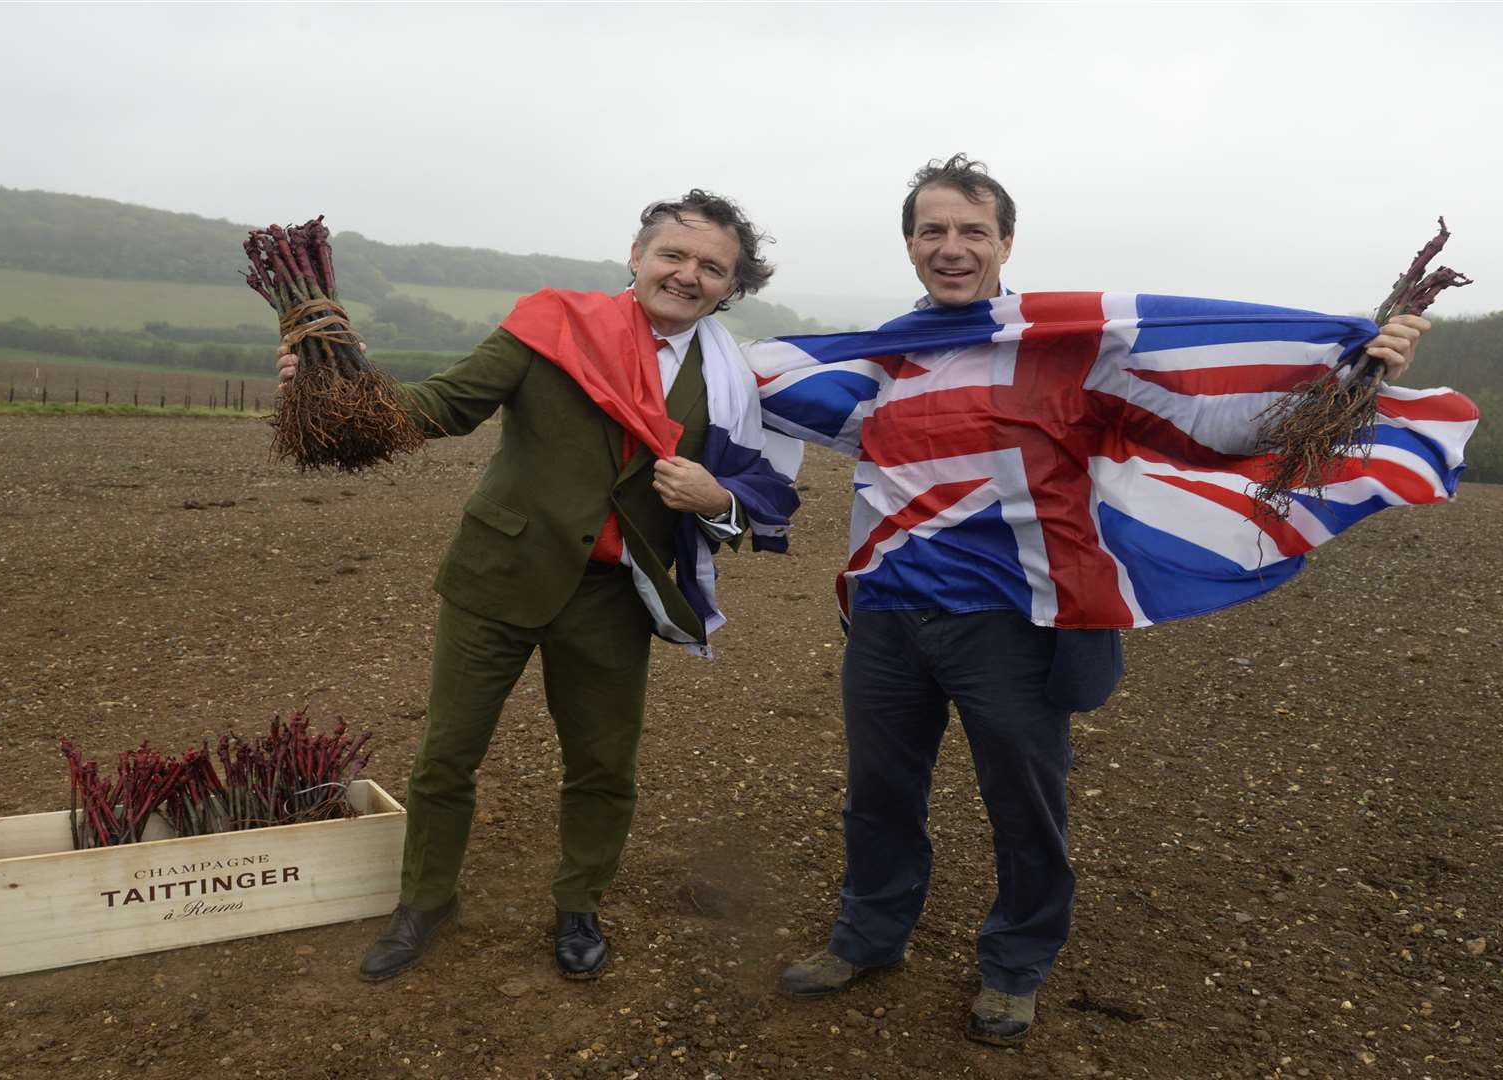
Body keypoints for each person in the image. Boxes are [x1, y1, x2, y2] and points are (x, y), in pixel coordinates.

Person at [774, 155, 1430, 1045]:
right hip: (888, 616)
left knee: (1025, 807)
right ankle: (868, 936)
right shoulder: (886, 353)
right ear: (909, 244)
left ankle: (1015, 964)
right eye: (933, 230)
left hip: (1016, 626)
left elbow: (1225, 426)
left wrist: (1354, 374)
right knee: (879, 795)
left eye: (973, 231)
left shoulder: (1068, 346)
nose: (952, 248)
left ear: (1007, 243)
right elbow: (759, 402)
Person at [277, 190, 795, 983]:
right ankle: (425, 902)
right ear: (636, 255)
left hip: (617, 594)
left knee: (602, 766)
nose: (688, 275)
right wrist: (338, 386)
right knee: (446, 757)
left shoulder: (734, 380)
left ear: (731, 286)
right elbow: (443, 405)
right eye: (673, 255)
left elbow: (758, 486)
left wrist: (718, 499)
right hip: (501, 574)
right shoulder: (552, 324)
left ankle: (579, 905)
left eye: (711, 268)